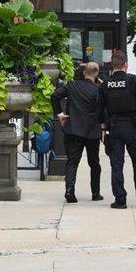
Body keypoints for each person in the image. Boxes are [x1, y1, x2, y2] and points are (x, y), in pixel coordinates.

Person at [96, 50, 136, 210]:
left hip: (114, 127)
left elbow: (99, 109)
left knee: (116, 165)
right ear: (126, 64)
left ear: (112, 65)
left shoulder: (105, 84)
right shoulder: (134, 81)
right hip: (133, 126)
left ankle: (120, 200)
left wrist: (102, 124)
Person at [51, 62, 104, 203]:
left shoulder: (72, 85)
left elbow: (55, 96)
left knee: (72, 162)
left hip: (73, 129)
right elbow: (104, 108)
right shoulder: (99, 89)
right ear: (96, 74)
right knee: (94, 163)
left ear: (84, 72)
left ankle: (69, 190)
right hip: (92, 131)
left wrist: (60, 114)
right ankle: (95, 192)